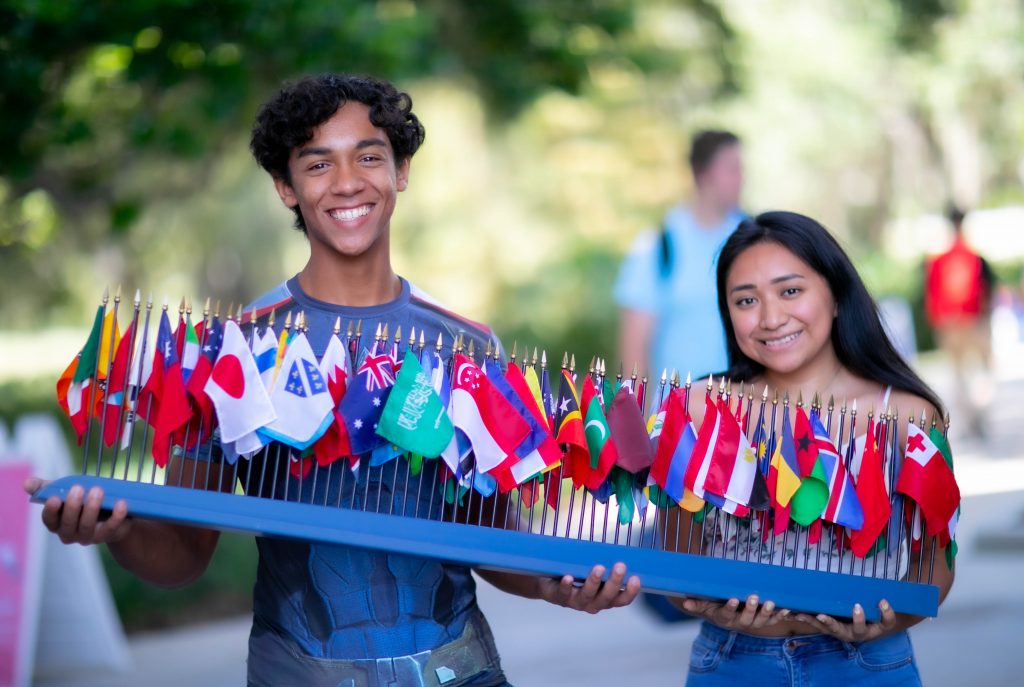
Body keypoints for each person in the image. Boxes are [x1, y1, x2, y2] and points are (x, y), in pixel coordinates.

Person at [25, 73, 640, 687]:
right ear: (285, 188)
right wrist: (117, 529)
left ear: (400, 172)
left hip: (461, 671)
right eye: (317, 164)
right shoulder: (233, 354)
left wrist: (558, 585)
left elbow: (491, 542)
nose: (347, 182)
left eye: (369, 157)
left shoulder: (469, 349)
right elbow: (183, 555)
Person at [668, 211, 955, 686]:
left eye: (790, 290)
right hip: (732, 662)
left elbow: (936, 568)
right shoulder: (701, 408)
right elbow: (675, 554)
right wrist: (714, 608)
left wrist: (891, 619)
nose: (771, 317)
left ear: (837, 296)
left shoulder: (908, 416)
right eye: (746, 300)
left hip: (869, 665)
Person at [615, 129, 745, 383]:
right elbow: (634, 349)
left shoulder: (754, 241)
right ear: (703, 174)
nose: (741, 178)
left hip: (744, 413)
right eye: (732, 169)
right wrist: (635, 415)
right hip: (674, 416)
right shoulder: (657, 246)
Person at [923, 207, 995, 437]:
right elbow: (987, 291)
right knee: (980, 371)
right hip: (974, 321)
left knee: (959, 374)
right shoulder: (975, 257)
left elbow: (931, 294)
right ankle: (980, 414)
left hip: (949, 324)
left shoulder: (939, 260)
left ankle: (967, 418)